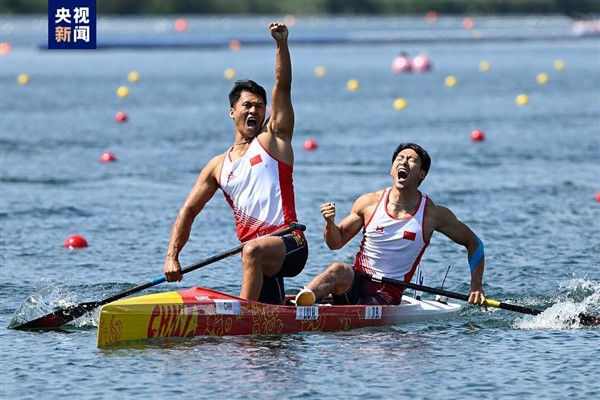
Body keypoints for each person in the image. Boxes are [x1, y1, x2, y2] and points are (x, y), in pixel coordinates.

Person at [163, 22, 307, 304]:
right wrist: (172, 257)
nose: (255, 110)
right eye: (247, 105)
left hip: (291, 243)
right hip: (259, 257)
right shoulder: (218, 166)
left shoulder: (273, 139)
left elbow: (284, 85)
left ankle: (242, 317)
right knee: (266, 339)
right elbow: (189, 210)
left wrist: (281, 44)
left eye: (260, 106)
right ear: (232, 112)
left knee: (251, 251)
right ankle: (273, 314)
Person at [295, 142, 485, 307]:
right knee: (338, 269)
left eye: (411, 160)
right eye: (400, 158)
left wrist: (475, 286)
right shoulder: (368, 202)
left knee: (369, 344)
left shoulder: (432, 215)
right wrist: (329, 224)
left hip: (387, 293)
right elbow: (335, 243)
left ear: (422, 174)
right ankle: (300, 303)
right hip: (357, 281)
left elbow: (474, 243)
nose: (403, 161)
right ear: (392, 169)